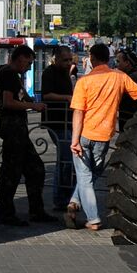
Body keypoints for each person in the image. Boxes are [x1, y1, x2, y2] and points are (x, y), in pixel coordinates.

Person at [70, 42, 137, 230]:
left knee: (85, 176)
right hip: (104, 135)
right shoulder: (120, 77)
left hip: (84, 133)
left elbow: (78, 112)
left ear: (91, 59)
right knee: (93, 172)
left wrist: (74, 140)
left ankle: (93, 218)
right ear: (108, 58)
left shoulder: (83, 81)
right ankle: (74, 201)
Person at [0, 45, 55, 227]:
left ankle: (36, 210)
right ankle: (7, 214)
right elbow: (8, 102)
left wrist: (30, 100)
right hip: (13, 128)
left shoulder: (9, 74)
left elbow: (20, 96)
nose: (29, 67)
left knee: (35, 169)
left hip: (17, 128)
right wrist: (33, 106)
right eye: (28, 63)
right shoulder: (8, 75)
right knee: (11, 172)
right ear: (20, 58)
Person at [40, 46, 77, 221]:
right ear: (56, 59)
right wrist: (67, 98)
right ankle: (61, 197)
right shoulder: (49, 73)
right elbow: (46, 95)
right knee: (65, 159)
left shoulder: (65, 73)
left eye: (70, 60)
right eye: (65, 60)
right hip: (55, 121)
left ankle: (64, 196)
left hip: (67, 120)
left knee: (66, 158)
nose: (68, 63)